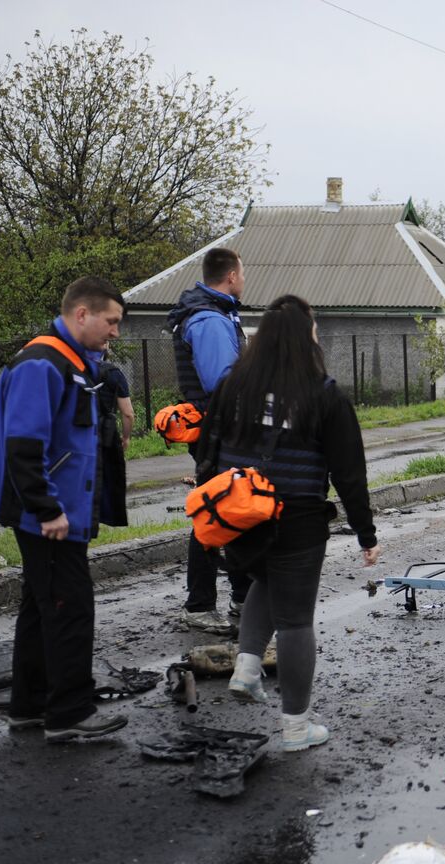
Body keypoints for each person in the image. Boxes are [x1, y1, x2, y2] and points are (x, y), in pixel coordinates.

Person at [199, 295, 380, 752]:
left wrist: (209, 501)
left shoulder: (231, 385)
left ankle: (246, 667)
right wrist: (366, 533)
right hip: (297, 519)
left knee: (262, 577)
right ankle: (297, 729)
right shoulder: (323, 394)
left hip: (241, 516)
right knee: (296, 621)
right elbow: (349, 472)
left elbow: (207, 449)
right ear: (306, 338)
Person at [0, 277, 129, 742]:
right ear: (82, 314)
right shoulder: (44, 362)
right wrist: (46, 508)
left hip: (56, 510)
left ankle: (30, 706)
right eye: (110, 321)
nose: (115, 332)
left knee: (41, 606)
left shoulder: (71, 361)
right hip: (48, 515)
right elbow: (23, 445)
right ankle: (69, 712)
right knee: (70, 606)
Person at [168, 247, 252, 633]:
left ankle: (242, 596)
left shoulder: (209, 313)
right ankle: (201, 604)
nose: (244, 280)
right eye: (242, 274)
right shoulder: (210, 320)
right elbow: (224, 383)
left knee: (233, 510)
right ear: (231, 276)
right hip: (220, 431)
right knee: (214, 513)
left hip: (218, 429)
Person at [96, 356, 134, 527]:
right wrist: (125, 438)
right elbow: (127, 413)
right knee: (108, 477)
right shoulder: (113, 373)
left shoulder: (70, 366)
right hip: (105, 435)